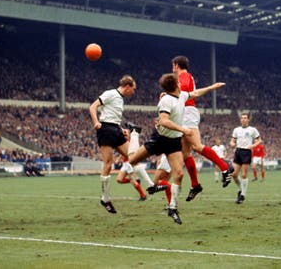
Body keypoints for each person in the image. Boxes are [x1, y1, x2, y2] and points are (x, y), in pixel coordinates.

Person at [129, 73, 225, 225]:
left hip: (173, 142)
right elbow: (164, 121)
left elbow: (196, 93)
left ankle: (172, 208)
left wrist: (213, 87)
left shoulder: (181, 96)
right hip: (159, 139)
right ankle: (134, 133)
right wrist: (184, 130)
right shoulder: (166, 100)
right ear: (176, 85)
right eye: (179, 81)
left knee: (179, 174)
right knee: (132, 160)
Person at [171, 55, 233, 202]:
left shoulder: (184, 76)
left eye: (173, 65)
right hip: (182, 113)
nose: (172, 68)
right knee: (185, 154)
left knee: (197, 146)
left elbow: (186, 92)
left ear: (176, 65)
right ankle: (195, 185)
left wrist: (171, 92)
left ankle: (225, 167)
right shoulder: (182, 77)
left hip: (187, 112)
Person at [89, 75, 137, 214]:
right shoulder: (110, 93)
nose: (133, 92)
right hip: (105, 129)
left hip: (115, 129)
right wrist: (96, 122)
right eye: (133, 89)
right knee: (108, 164)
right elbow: (92, 107)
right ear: (127, 87)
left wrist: (121, 129)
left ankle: (147, 184)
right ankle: (105, 198)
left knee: (134, 156)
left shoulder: (120, 99)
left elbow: (112, 116)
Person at [230, 113, 262, 204]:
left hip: (246, 153)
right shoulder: (236, 130)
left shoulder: (253, 130)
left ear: (248, 120)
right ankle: (241, 190)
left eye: (245, 118)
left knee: (244, 175)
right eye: (242, 118)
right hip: (238, 152)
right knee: (234, 174)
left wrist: (253, 145)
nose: (243, 119)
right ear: (240, 120)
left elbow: (259, 140)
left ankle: (243, 195)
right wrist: (232, 144)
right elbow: (232, 140)